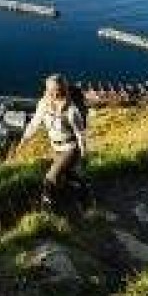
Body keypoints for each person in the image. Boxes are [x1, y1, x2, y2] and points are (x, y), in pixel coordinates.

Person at [15, 74, 90, 209]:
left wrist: (83, 154)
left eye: (51, 89)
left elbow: (80, 134)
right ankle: (83, 191)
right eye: (47, 89)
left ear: (60, 90)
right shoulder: (43, 104)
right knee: (67, 174)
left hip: (71, 148)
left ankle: (47, 205)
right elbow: (34, 124)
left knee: (50, 177)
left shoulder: (72, 111)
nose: (47, 92)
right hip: (56, 148)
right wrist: (23, 142)